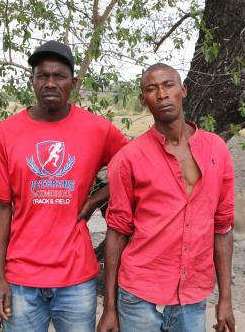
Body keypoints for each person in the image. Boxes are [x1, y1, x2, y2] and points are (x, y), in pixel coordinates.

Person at [0, 40, 129, 332]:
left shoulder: (97, 129)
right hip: (21, 278)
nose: (50, 82)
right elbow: (0, 206)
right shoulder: (6, 133)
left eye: (59, 76)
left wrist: (95, 199)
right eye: (43, 75)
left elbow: (136, 166)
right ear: (32, 80)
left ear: (73, 82)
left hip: (76, 278)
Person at [97, 63, 235, 332]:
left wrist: (225, 299)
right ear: (143, 99)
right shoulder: (129, 158)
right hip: (139, 297)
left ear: (182, 90)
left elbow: (222, 227)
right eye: (151, 89)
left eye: (168, 85)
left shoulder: (215, 149)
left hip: (193, 297)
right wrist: (109, 308)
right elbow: (117, 232)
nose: (161, 94)